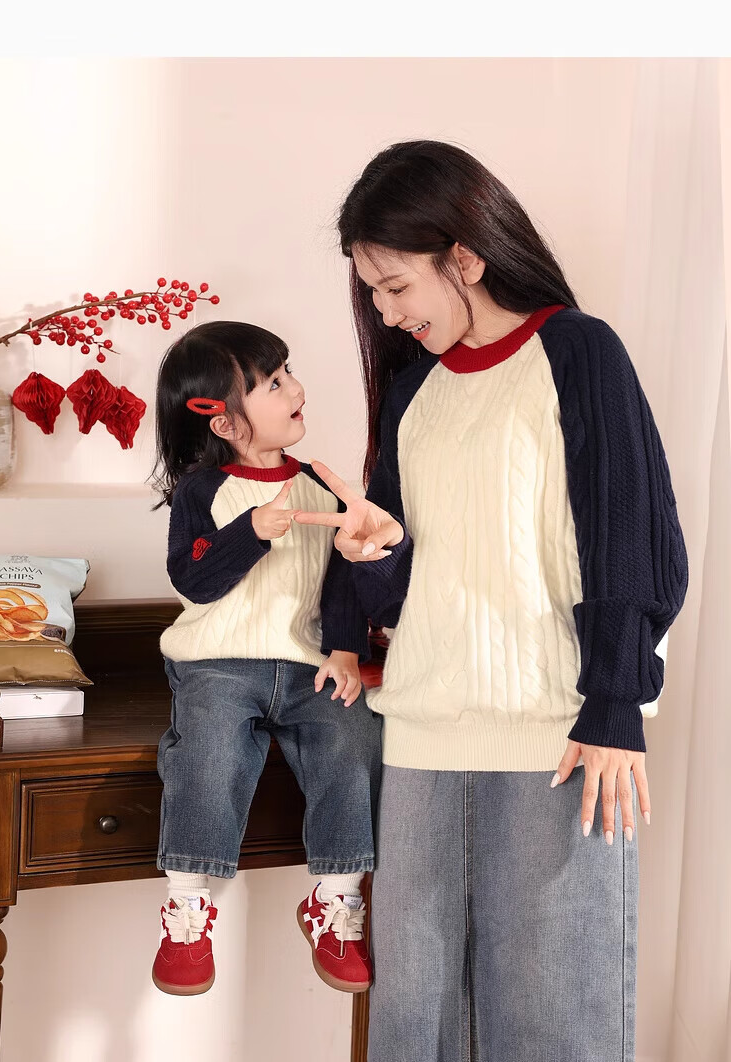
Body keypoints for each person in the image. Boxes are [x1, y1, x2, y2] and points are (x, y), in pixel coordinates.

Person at [293, 140, 689, 1061]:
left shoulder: (579, 352)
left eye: (396, 286)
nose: (385, 312)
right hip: (422, 740)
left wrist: (616, 704)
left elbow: (630, 537)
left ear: (464, 257)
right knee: (416, 1029)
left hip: (561, 738)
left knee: (556, 1026)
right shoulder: (414, 391)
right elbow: (411, 579)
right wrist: (377, 555)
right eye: (372, 292)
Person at [149, 320, 382, 997]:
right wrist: (249, 531)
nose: (296, 389)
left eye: (288, 373)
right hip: (218, 663)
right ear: (223, 422)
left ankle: (335, 901)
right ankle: (187, 910)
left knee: (354, 739)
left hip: (308, 665)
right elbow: (194, 579)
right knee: (208, 752)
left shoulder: (321, 486)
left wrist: (345, 651)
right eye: (274, 383)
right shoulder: (202, 492)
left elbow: (343, 581)